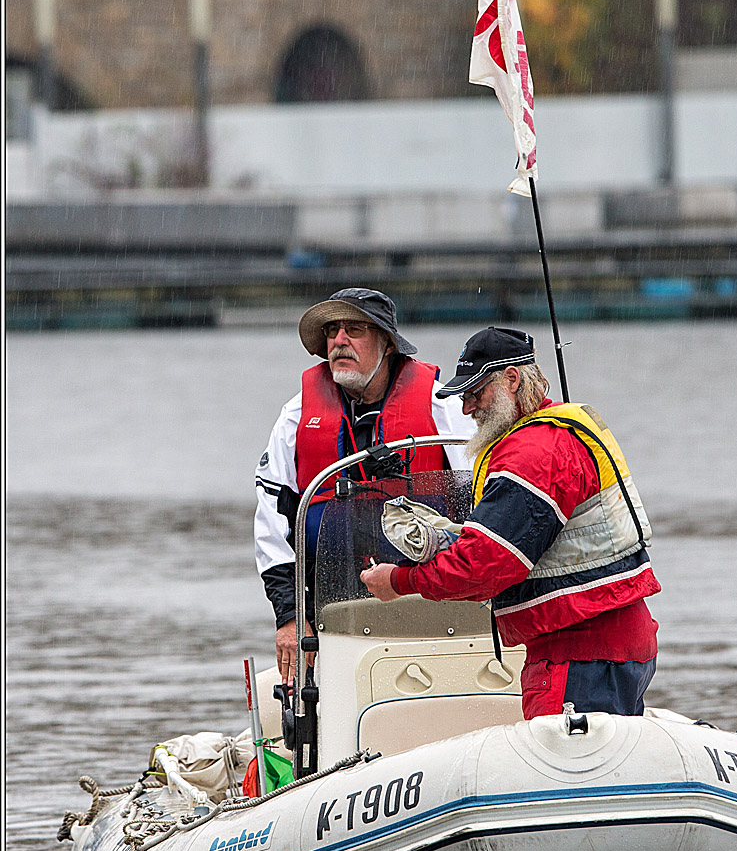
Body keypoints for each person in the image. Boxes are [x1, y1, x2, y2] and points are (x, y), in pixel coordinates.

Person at [360, 326, 661, 720]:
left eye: (474, 393)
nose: (467, 408)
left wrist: (399, 582)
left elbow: (483, 566)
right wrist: (450, 536)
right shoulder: (557, 433)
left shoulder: (533, 452)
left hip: (580, 652)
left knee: (564, 776)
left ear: (512, 380)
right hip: (612, 642)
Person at [256, 287, 475, 683]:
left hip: (434, 603)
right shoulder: (295, 417)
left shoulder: (443, 407)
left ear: (387, 343)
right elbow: (271, 528)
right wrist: (290, 618)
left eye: (354, 329)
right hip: (333, 608)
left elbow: (482, 503)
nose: (339, 341)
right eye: (332, 331)